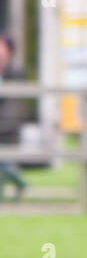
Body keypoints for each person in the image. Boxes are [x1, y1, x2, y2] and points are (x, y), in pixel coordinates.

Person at [0, 33, 29, 201]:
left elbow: (12, 103)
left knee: (4, 161)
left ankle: (19, 183)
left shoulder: (15, 72)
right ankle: (18, 183)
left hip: (8, 124)